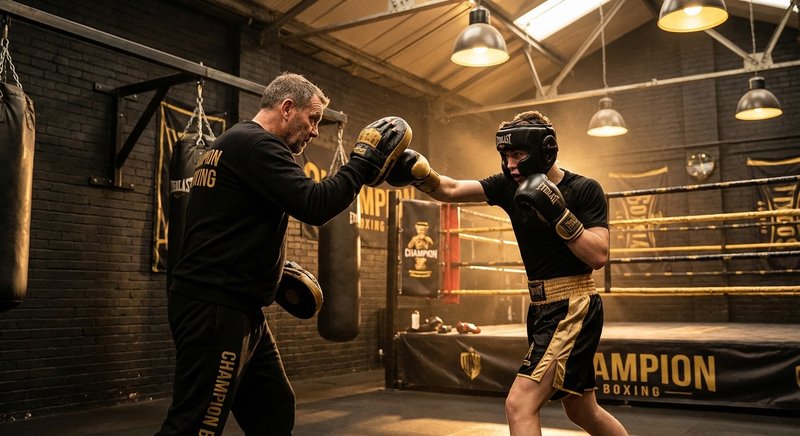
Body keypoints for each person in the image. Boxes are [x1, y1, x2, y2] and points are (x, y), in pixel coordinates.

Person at [157, 72, 410, 435]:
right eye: (313, 119)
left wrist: (269, 272)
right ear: (287, 108)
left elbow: (226, 226)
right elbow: (314, 204)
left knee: (273, 410)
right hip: (216, 308)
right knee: (196, 423)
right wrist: (362, 164)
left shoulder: (231, 142)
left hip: (238, 307)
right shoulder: (259, 146)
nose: (315, 131)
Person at [387, 110, 628, 436]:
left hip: (573, 306)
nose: (511, 164)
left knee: (519, 404)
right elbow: (452, 189)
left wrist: (558, 213)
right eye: (505, 155)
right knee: (581, 409)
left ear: (544, 150)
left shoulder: (584, 189)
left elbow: (598, 254)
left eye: (518, 154)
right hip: (542, 307)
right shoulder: (508, 185)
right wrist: (419, 173)